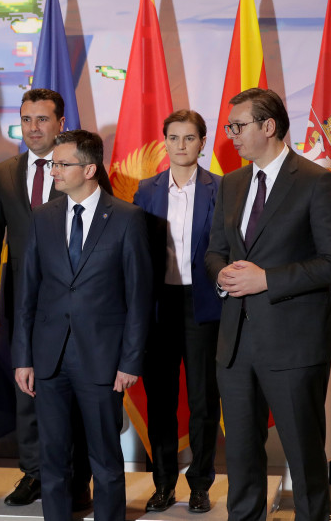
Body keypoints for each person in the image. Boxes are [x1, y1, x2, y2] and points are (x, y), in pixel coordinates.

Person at [205, 88, 331, 521]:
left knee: (304, 458)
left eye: (238, 126)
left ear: (268, 126)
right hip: (235, 345)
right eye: (229, 126)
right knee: (241, 458)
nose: (231, 135)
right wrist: (222, 275)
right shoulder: (231, 183)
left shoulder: (315, 180)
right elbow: (214, 251)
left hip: (294, 345)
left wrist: (266, 279)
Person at [13, 130, 151, 521]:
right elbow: (27, 293)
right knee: (53, 458)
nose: (53, 170)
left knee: (105, 460)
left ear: (89, 169)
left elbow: (139, 298)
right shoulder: (42, 217)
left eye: (61, 164)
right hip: (49, 359)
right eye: (53, 163)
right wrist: (23, 358)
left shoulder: (127, 218)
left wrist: (130, 361)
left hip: (103, 360)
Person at [0, 88, 92, 509]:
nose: (33, 128)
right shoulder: (6, 172)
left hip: (72, 299)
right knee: (26, 385)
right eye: (26, 119)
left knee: (74, 389)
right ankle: (33, 473)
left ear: (61, 123)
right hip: (19, 299)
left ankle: (76, 479)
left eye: (42, 119)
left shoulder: (81, 169)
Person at [132, 110, 222, 514]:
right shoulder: (145, 190)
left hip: (203, 304)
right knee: (161, 401)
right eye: (173, 137)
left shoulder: (222, 188)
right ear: (164, 141)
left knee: (203, 401)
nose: (181, 145)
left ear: (202, 142)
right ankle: (164, 483)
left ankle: (200, 484)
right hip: (158, 306)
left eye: (189, 138)